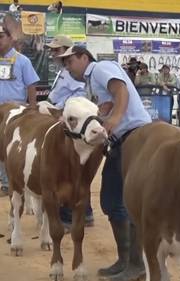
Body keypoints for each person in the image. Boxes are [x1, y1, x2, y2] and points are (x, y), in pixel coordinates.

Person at [59, 45, 152, 281]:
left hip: (133, 134)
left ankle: (136, 264)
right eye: (64, 64)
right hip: (120, 141)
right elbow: (107, 104)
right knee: (112, 200)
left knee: (125, 202)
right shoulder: (90, 84)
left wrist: (115, 120)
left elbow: (120, 91)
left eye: (69, 61)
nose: (67, 67)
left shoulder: (100, 68)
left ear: (84, 57)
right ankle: (126, 260)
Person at [45, 35, 95, 229]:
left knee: (68, 170)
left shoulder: (73, 74)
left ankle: (68, 215)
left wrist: (64, 112)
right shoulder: (65, 72)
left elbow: (80, 97)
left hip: (72, 123)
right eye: (52, 50)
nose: (53, 54)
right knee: (76, 169)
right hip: (66, 120)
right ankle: (85, 213)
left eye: (57, 50)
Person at [0, 25, 39, 197]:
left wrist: (32, 107)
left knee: (13, 147)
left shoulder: (22, 60)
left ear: (10, 38)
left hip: (16, 112)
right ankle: (4, 182)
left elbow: (31, 85)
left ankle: (14, 182)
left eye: (1, 36)